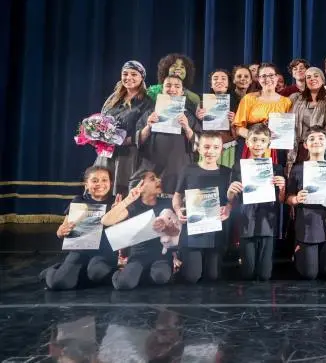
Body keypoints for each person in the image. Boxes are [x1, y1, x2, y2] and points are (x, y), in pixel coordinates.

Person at [41, 166, 117, 290]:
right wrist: (61, 231)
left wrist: (118, 211)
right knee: (59, 283)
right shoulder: (78, 201)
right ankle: (52, 271)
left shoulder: (116, 202)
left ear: (110, 183)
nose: (100, 184)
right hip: (80, 251)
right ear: (86, 184)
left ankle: (77, 272)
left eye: (104, 180)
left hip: (105, 253)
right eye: (95, 180)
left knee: (97, 273)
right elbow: (62, 231)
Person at [227, 124, 286, 281]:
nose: (258, 144)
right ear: (247, 142)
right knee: (248, 273)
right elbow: (230, 198)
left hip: (268, 222)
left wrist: (282, 188)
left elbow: (281, 200)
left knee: (265, 275)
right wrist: (231, 190)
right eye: (254, 140)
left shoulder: (277, 168)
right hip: (247, 221)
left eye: (262, 140)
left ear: (268, 144)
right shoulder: (238, 167)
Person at [286, 129, 326, 279]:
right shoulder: (298, 168)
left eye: (321, 138)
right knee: (310, 275)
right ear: (305, 145)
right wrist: (296, 199)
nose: (316, 141)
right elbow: (288, 197)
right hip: (306, 225)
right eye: (311, 139)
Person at [103, 171, 179, 290]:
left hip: (161, 255)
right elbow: (106, 221)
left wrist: (166, 227)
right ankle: (124, 274)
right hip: (137, 255)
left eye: (158, 178)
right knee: (124, 284)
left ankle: (145, 275)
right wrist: (127, 200)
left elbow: (177, 232)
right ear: (140, 186)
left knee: (161, 277)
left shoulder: (167, 203)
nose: (159, 180)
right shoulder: (133, 205)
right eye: (153, 179)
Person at [173, 132, 232, 283]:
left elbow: (231, 200)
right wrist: (178, 210)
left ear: (221, 150)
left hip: (216, 231)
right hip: (193, 231)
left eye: (215, 147)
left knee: (213, 276)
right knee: (192, 277)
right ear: (198, 148)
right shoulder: (188, 169)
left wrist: (228, 208)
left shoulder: (227, 172)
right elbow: (177, 195)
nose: (210, 151)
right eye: (206, 147)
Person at [134, 75, 199, 194]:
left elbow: (199, 143)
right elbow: (138, 140)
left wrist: (187, 127)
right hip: (153, 166)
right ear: (162, 90)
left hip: (179, 167)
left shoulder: (188, 115)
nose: (172, 89)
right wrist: (148, 126)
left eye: (177, 86)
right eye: (168, 85)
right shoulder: (151, 112)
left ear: (182, 91)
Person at [97, 61, 153, 196]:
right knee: (101, 191)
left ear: (142, 78)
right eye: (125, 74)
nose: (129, 77)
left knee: (121, 194)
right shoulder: (113, 98)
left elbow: (145, 131)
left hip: (128, 156)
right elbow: (102, 119)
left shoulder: (147, 101)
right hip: (107, 153)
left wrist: (122, 141)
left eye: (134, 74)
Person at [287, 67, 326, 173]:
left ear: (322, 80)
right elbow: (284, 119)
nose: (312, 79)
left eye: (316, 76)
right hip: (296, 148)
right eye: (308, 77)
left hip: (316, 148)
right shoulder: (294, 98)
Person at [233, 63, 293, 141]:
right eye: (263, 76)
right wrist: (257, 138)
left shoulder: (286, 102)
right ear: (258, 79)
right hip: (253, 145)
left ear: (277, 77)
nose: (267, 79)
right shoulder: (248, 98)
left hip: (277, 148)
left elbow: (287, 130)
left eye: (271, 75)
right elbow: (238, 128)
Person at [197, 69, 237, 167]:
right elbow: (196, 130)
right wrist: (199, 119)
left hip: (228, 146)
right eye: (215, 79)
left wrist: (234, 122)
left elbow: (238, 133)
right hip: (207, 147)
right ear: (211, 84)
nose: (219, 81)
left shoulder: (237, 103)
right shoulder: (202, 103)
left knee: (226, 176)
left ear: (228, 84)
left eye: (223, 79)